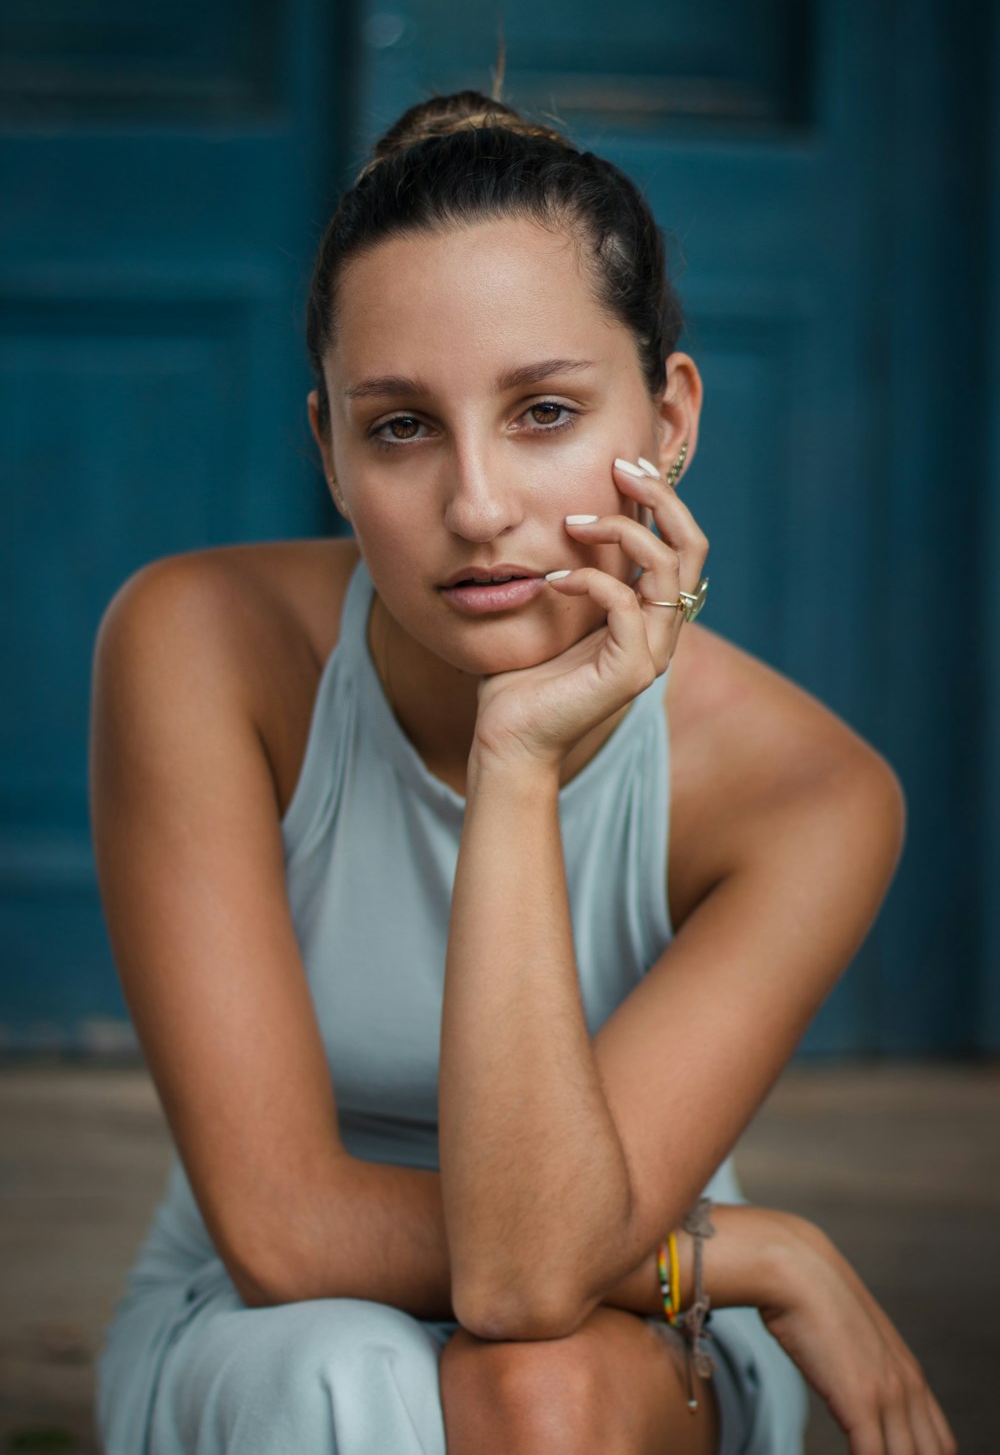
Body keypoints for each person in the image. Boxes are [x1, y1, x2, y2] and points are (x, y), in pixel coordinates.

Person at [90, 89, 955, 1455]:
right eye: (400, 428)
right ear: (326, 450)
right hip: (275, 1312)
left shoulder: (809, 794)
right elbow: (279, 1228)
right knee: (338, 1373)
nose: (478, 506)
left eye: (544, 410)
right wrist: (750, 1253)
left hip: (615, 1323)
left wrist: (519, 757)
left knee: (537, 1389)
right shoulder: (196, 642)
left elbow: (530, 1283)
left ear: (670, 415)